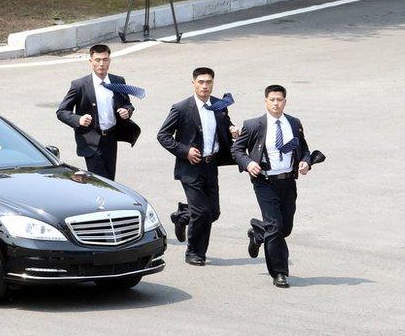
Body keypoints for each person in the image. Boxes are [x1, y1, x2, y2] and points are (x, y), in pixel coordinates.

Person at [232, 84, 314, 288]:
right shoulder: (253, 125)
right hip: (265, 181)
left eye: (280, 99)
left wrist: (306, 161)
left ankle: (259, 233)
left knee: (284, 228)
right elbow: (237, 149)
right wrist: (248, 163)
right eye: (272, 100)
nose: (276, 103)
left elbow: (303, 148)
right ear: (265, 101)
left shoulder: (294, 123)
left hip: (287, 181)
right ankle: (279, 273)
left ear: (285, 101)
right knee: (276, 228)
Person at [157, 67, 237, 266]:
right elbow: (163, 135)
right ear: (193, 83)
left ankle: (184, 215)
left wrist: (232, 129)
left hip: (211, 166)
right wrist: (185, 151)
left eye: (208, 82)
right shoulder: (182, 108)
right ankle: (194, 253)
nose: (204, 86)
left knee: (213, 212)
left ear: (213, 83)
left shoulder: (219, 105)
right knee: (202, 213)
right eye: (200, 82)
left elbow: (224, 124)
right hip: (190, 168)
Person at [56, 44, 141, 180]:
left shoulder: (118, 81)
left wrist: (127, 111)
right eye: (97, 60)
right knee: (99, 181)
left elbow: (127, 104)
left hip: (111, 139)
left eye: (105, 60)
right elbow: (62, 111)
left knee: (110, 180)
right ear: (91, 61)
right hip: (91, 141)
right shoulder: (80, 85)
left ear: (109, 61)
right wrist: (78, 119)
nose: (101, 64)